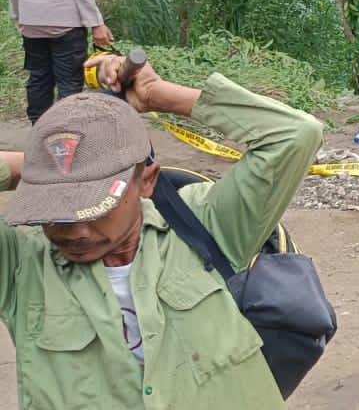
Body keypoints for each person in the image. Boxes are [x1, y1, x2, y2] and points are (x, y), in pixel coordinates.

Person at [0, 52, 322, 407]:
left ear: (146, 181)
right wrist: (43, 166)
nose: (75, 231)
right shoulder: (19, 266)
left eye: (96, 207)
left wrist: (157, 95)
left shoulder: (206, 223)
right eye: (55, 211)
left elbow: (295, 135)